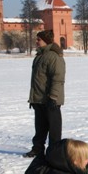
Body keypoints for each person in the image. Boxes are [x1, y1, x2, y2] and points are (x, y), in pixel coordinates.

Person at [23, 30, 65, 158]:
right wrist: (33, 98)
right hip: (38, 98)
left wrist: (53, 97)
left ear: (46, 40)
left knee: (54, 128)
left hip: (51, 99)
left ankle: (54, 151)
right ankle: (37, 149)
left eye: (38, 39)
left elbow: (58, 78)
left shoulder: (53, 57)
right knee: (40, 127)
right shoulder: (39, 56)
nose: (36, 41)